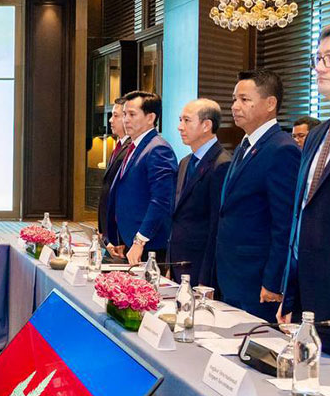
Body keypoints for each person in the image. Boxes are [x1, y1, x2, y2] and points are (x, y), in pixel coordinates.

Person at [281, 21, 330, 363]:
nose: (320, 67)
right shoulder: (316, 135)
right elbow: (302, 219)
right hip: (310, 304)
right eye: (318, 58)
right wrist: (290, 294)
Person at [214, 70, 300, 322]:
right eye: (234, 99)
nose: (235, 106)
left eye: (244, 99)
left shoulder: (282, 149)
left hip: (257, 279)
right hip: (232, 273)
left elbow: (285, 223)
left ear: (270, 103)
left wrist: (274, 281)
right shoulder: (245, 145)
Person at [103, 91, 178, 265]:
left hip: (148, 244)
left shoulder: (158, 149)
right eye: (124, 114)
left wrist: (140, 240)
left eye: (132, 114)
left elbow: (161, 200)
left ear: (150, 118)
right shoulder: (135, 146)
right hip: (129, 240)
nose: (126, 120)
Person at [169, 98, 232, 285]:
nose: (180, 127)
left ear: (206, 125)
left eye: (187, 120)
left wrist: (206, 278)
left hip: (200, 266)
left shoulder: (222, 164)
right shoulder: (185, 162)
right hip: (179, 262)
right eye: (180, 120)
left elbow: (216, 227)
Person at [97, 97, 132, 238]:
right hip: (108, 226)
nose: (111, 120)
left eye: (115, 116)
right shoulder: (119, 146)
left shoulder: (132, 148)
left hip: (119, 229)